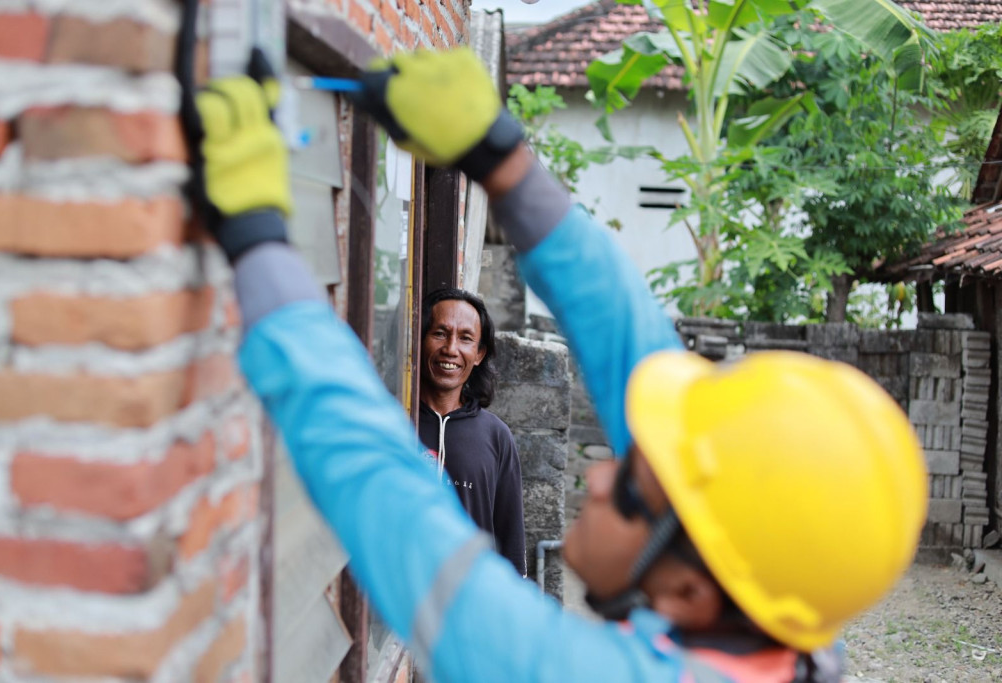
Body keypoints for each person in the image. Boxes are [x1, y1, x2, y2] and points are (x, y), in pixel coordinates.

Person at [185, 48, 928, 682]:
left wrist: (256, 238)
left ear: (690, 593)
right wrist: (501, 158)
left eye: (629, 488)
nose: (597, 478)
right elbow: (631, 342)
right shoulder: (777, 615)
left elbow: (389, 497)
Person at [418, 288, 526, 576]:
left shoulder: (496, 436)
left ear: (479, 354)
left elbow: (511, 541)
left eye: (465, 338)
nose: (451, 349)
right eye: (439, 333)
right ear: (419, 339)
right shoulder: (394, 422)